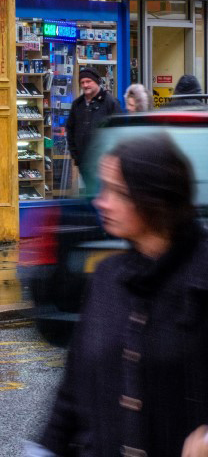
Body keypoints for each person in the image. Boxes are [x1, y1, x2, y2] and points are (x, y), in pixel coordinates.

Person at [31, 132, 208, 457]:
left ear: (152, 198)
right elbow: (73, 387)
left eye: (117, 192)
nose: (101, 201)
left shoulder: (200, 277)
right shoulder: (107, 278)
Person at [66, 68, 119, 176]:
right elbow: (70, 129)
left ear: (97, 81)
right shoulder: (77, 104)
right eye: (82, 82)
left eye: (89, 81)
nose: (85, 85)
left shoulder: (110, 103)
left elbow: (118, 132)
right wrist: (76, 155)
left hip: (105, 165)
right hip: (84, 164)